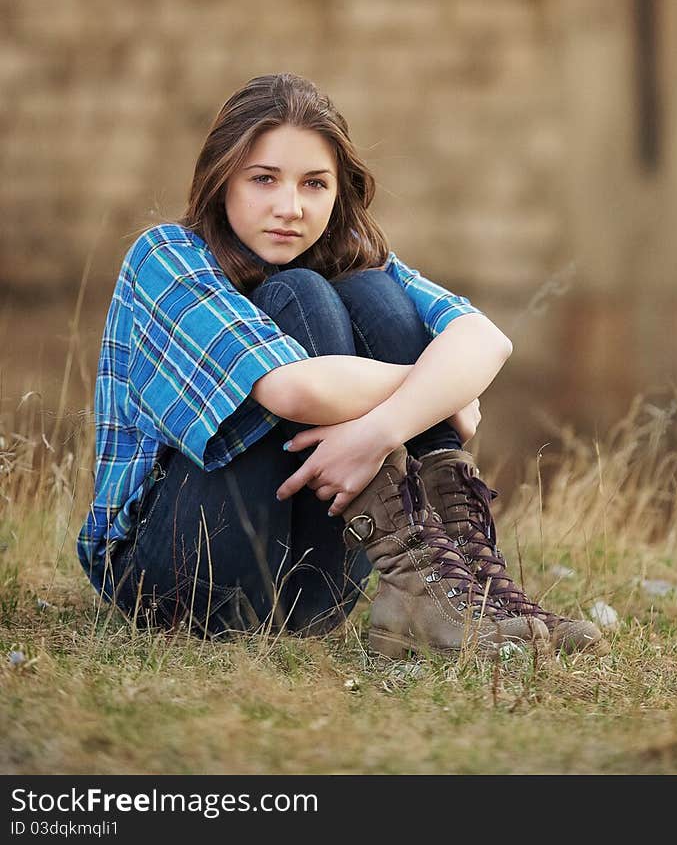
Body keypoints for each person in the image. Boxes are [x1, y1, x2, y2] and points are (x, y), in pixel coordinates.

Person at [77, 72, 603, 658]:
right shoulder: (168, 256)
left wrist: (379, 431)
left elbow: (485, 340)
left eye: (314, 184)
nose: (291, 208)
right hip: (174, 577)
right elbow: (294, 391)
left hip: (314, 589)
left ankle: (449, 587)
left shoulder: (351, 253)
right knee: (301, 294)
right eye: (263, 180)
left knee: (374, 294)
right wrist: (438, 390)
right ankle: (426, 588)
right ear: (222, 180)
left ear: (338, 190)